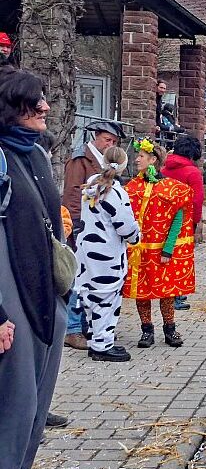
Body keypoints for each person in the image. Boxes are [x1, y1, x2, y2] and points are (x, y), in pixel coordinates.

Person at [0, 66, 67, 469]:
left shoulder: (34, 155)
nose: (44, 106)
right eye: (32, 101)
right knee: (12, 399)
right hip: (7, 297)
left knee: (33, 406)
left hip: (40, 295)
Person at [61, 120, 125, 350]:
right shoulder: (81, 160)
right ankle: (73, 329)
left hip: (97, 230)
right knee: (78, 280)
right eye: (107, 140)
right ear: (96, 137)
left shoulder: (103, 162)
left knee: (91, 281)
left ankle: (92, 328)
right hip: (82, 229)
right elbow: (72, 195)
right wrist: (76, 226)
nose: (110, 145)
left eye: (114, 142)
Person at [124, 140, 193, 349]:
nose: (136, 159)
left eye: (141, 156)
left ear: (153, 160)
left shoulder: (172, 189)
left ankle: (170, 328)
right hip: (139, 251)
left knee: (166, 292)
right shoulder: (132, 187)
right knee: (142, 291)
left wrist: (168, 248)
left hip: (162, 251)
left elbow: (178, 220)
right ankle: (147, 330)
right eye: (137, 156)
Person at [74, 146, 141, 361]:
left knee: (90, 296)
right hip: (107, 256)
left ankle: (95, 339)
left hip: (86, 253)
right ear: (123, 165)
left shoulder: (91, 186)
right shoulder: (116, 193)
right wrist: (136, 237)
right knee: (107, 300)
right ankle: (103, 345)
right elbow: (126, 226)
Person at [161, 135, 205, 311]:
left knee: (165, 256)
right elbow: (197, 200)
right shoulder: (192, 172)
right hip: (184, 220)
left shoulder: (164, 169)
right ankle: (177, 296)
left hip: (162, 220)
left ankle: (163, 290)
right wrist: (195, 222)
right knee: (180, 259)